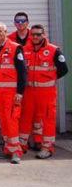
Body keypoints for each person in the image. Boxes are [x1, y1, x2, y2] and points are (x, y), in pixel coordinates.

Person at [19, 24, 68, 158]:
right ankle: (22, 145)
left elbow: (64, 69)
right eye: (33, 34)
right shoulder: (24, 50)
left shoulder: (53, 50)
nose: (35, 37)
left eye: (38, 34)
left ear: (43, 35)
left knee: (47, 119)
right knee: (25, 117)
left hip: (46, 92)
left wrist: (49, 78)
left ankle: (47, 147)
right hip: (29, 90)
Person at [0, 21, 26, 164]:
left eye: (0, 31)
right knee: (3, 121)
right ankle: (8, 149)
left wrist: (20, 92)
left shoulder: (15, 48)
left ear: (5, 32)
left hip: (11, 93)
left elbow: (23, 72)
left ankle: (16, 151)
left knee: (11, 121)